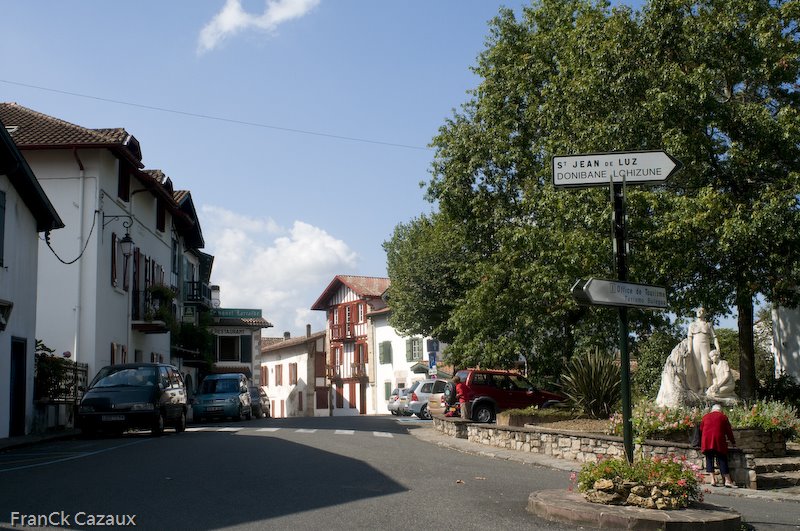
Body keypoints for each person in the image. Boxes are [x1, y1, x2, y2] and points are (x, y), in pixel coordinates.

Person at [700, 404, 737, 488]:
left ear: (712, 410)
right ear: (720, 410)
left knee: (709, 459)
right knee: (722, 459)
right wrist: (733, 442)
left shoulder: (705, 417)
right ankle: (727, 480)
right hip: (718, 441)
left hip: (707, 441)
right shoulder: (723, 417)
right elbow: (728, 431)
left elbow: (701, 429)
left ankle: (713, 479)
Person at [688, 307, 720, 391]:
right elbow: (689, 338)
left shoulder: (708, 325)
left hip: (705, 346)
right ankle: (701, 388)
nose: (699, 312)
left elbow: (714, 337)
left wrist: (718, 348)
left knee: (706, 368)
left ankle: (708, 387)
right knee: (698, 368)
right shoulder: (692, 325)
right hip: (695, 346)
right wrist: (689, 350)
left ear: (704, 313)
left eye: (702, 311)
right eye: (698, 310)